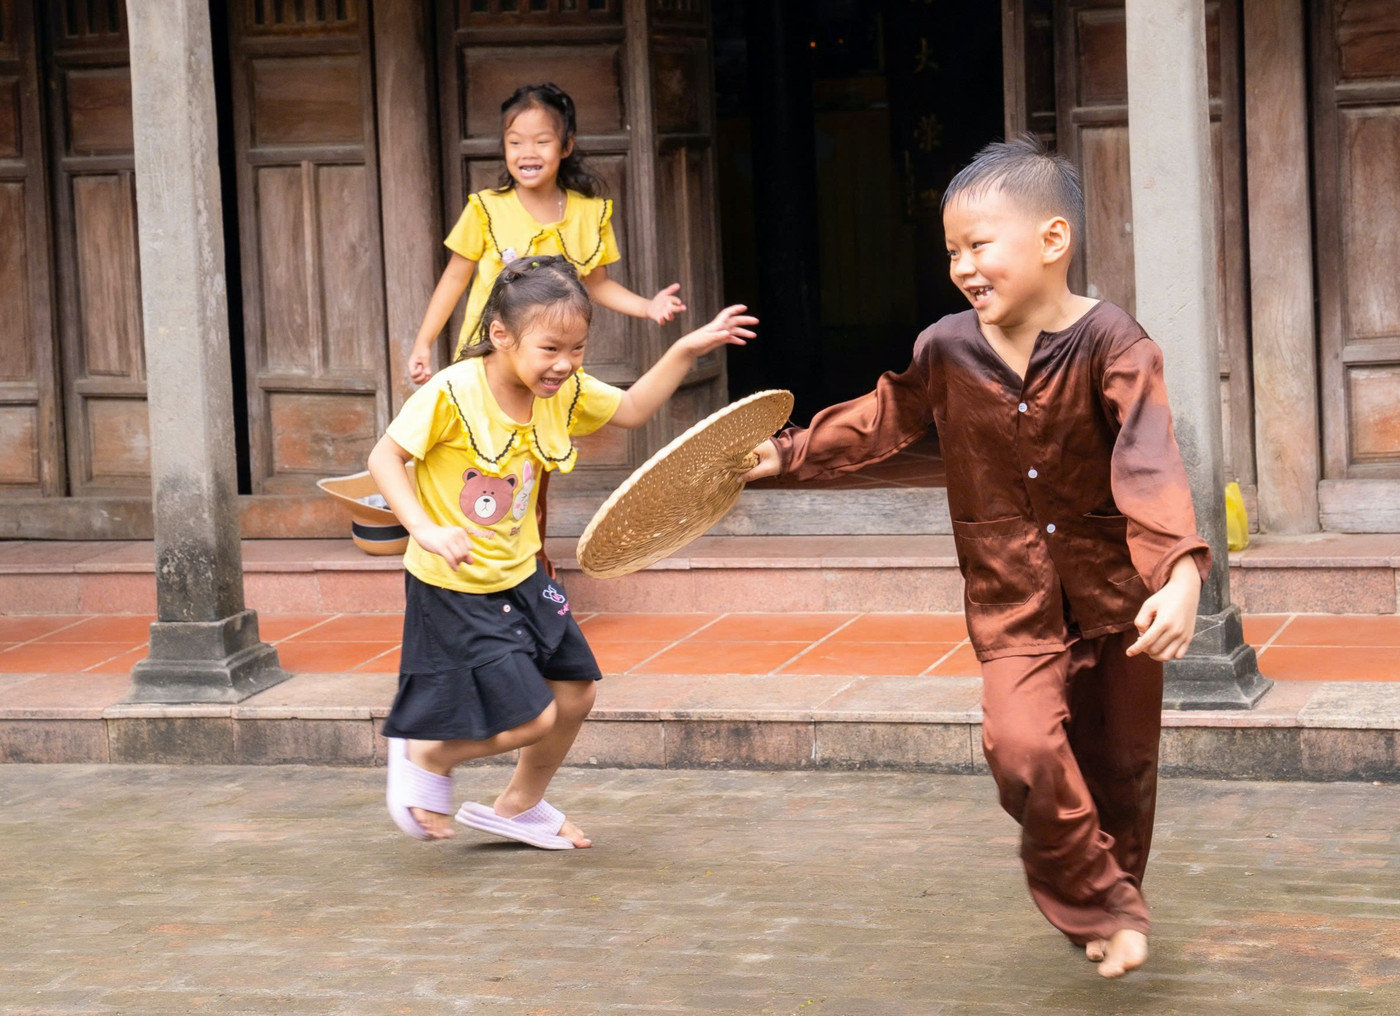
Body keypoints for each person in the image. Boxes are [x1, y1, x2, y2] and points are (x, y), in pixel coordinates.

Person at [741, 135, 1209, 978]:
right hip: (1012, 597)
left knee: (1123, 770)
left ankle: (1111, 904)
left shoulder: (1115, 342)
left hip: (1116, 593)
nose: (962, 264)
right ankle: (1099, 901)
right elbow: (885, 416)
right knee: (1021, 748)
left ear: (1052, 242)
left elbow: (1150, 458)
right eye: (952, 249)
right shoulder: (946, 347)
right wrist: (787, 451)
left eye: (979, 244)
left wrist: (1179, 574)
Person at [372, 254, 755, 849]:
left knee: (576, 691)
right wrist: (423, 527)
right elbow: (384, 458)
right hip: (456, 581)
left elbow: (630, 410)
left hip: (519, 575)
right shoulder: (452, 391)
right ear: (500, 335)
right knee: (531, 717)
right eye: (550, 349)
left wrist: (685, 349)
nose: (565, 365)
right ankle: (427, 751)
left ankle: (519, 806)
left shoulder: (562, 390)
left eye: (577, 349)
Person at [406, 82, 686, 384]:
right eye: (515, 143)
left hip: (552, 364)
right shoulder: (485, 208)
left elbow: (598, 284)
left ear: (566, 146)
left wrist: (649, 306)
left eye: (541, 141)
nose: (527, 153)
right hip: (490, 358)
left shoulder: (588, 215)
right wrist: (424, 341)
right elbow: (454, 277)